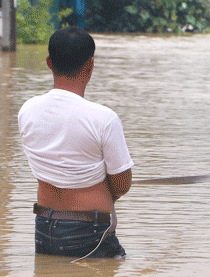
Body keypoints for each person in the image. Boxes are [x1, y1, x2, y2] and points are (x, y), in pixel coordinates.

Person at [18, 26, 133, 258]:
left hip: (43, 226)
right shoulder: (104, 118)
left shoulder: (26, 110)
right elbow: (122, 184)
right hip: (88, 231)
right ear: (90, 64)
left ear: (49, 63)